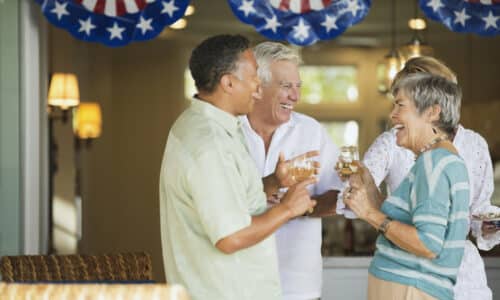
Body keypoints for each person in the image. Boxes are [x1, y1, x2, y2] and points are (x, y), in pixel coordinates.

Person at [159, 35, 317, 300]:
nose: (259, 87)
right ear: (228, 83)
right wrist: (288, 208)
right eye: (255, 77)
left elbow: (230, 200)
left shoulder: (200, 126)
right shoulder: (210, 145)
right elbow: (231, 237)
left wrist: (273, 182)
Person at [363, 56, 500, 300]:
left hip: (456, 273)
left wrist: (490, 226)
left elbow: (475, 215)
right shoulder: (393, 142)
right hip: (408, 265)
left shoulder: (467, 146)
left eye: (402, 103)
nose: (394, 114)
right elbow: (358, 193)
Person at [344, 73, 470, 300]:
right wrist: (370, 187)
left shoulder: (433, 162)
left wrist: (369, 214)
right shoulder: (442, 158)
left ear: (432, 112)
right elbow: (412, 223)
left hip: (409, 288)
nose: (392, 115)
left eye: (400, 105)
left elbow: (427, 244)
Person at [240, 41, 343, 300]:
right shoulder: (227, 131)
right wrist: (268, 188)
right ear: (257, 87)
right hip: (235, 286)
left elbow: (342, 195)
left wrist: (302, 206)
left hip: (297, 288)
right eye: (286, 86)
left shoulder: (311, 131)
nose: (295, 96)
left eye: (298, 87)